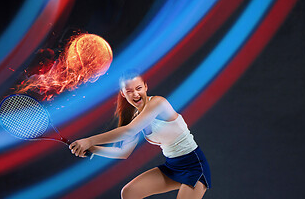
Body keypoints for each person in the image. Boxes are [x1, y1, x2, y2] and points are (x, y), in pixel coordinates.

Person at [70, 71, 211, 198]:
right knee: (129, 192)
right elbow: (123, 152)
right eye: (129, 91)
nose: (135, 94)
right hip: (172, 166)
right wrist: (93, 149)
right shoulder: (135, 116)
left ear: (145, 87)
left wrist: (89, 141)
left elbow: (128, 131)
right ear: (123, 93)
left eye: (139, 88)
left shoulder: (158, 103)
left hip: (194, 166)